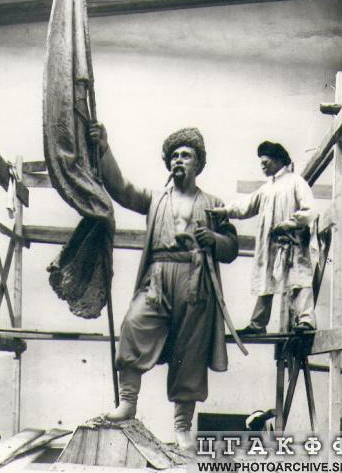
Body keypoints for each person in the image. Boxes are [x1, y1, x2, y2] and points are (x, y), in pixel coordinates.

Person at [89, 124, 238, 448]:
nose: (178, 160)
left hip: (195, 281)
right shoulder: (155, 199)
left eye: (186, 155)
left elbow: (231, 248)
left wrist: (213, 239)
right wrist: (104, 149)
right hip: (157, 276)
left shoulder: (214, 203)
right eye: (173, 156)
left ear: (199, 163)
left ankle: (182, 427)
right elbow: (122, 188)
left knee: (191, 353)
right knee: (134, 325)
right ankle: (128, 403)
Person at [208, 140, 318, 335]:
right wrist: (224, 210)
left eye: (266, 162)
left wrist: (290, 223)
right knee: (266, 279)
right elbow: (245, 206)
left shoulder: (296, 182)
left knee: (298, 277)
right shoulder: (266, 189)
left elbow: (310, 210)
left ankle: (306, 320)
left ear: (278, 160)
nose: (262, 166)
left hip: (290, 241)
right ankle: (258, 324)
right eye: (261, 163)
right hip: (269, 244)